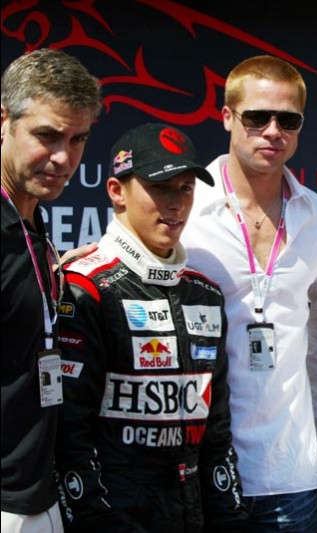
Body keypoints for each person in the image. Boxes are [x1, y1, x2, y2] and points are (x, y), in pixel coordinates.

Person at [53, 123, 248, 532]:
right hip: (114, 514)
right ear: (116, 191)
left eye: (186, 188)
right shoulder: (84, 287)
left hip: (191, 513)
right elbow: (69, 436)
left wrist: (229, 519)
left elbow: (215, 433)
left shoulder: (205, 294)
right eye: (161, 187)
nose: (176, 204)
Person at [182, 55, 317, 532]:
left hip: (289, 470)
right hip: (194, 460)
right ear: (227, 117)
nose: (273, 131)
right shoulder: (183, 203)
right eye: (257, 117)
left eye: (288, 120)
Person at [1, 48, 102, 533]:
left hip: (39, 494)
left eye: (78, 139)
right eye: (47, 135)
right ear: (4, 121)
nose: (64, 158)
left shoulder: (32, 222)